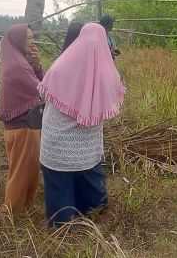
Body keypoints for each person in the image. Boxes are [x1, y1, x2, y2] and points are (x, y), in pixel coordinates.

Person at [39, 23, 125, 226]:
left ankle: (62, 230)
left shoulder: (60, 66)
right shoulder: (109, 73)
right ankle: (84, 226)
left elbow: (43, 95)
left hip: (58, 146)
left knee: (61, 202)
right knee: (93, 205)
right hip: (86, 148)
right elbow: (114, 100)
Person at [0, 24, 44, 215]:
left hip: (24, 125)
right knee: (20, 173)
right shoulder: (18, 66)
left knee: (29, 170)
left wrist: (37, 66)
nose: (33, 42)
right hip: (21, 127)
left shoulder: (20, 62)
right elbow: (42, 89)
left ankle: (22, 210)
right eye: (29, 38)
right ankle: (11, 214)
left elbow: (41, 85)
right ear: (18, 41)